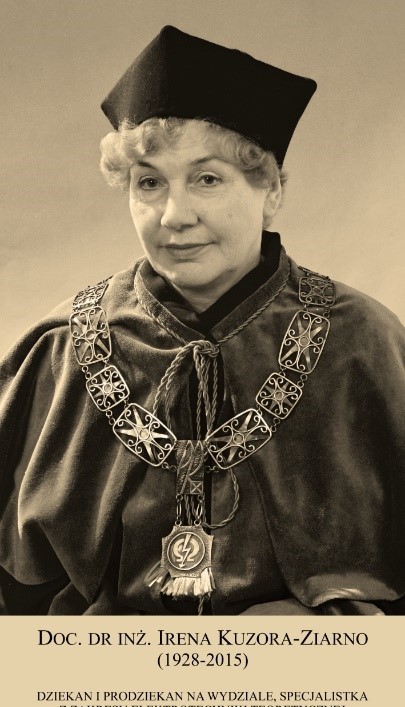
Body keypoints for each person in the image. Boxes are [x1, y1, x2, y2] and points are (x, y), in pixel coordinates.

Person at [0, 26, 404, 616]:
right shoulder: (58, 351)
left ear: (271, 191)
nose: (174, 215)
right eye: (149, 182)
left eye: (207, 179)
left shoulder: (366, 342)